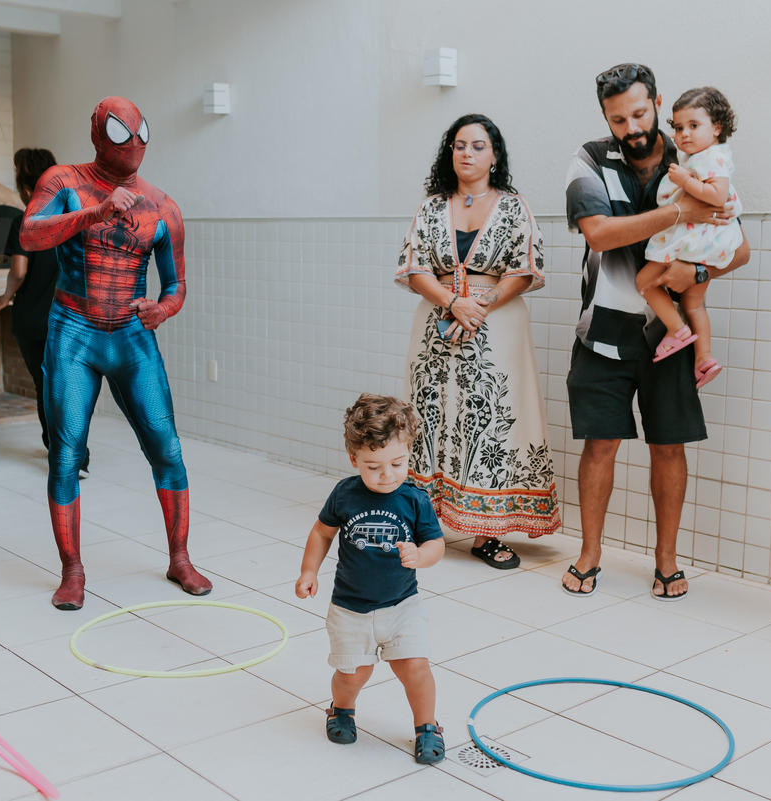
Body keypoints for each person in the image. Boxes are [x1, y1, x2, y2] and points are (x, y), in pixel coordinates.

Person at [564, 64, 750, 600]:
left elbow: (739, 248)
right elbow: (598, 234)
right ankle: (589, 553)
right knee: (599, 445)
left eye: (641, 113)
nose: (631, 126)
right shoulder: (590, 159)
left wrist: (695, 274)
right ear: (605, 116)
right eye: (618, 118)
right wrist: (678, 212)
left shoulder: (692, 150)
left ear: (658, 104)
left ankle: (666, 561)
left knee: (669, 447)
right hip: (600, 331)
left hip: (673, 336)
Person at [19, 96, 211, 608]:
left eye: (139, 133)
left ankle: (180, 558)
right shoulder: (63, 182)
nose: (134, 144)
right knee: (66, 453)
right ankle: (73, 571)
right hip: (74, 331)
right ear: (98, 134)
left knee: (167, 448)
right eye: (121, 133)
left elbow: (177, 286)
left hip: (130, 333)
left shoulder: (162, 206)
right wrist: (94, 212)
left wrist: (163, 310)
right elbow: (29, 234)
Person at [395, 113, 559, 570]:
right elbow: (414, 266)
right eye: (459, 144)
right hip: (436, 327)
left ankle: (487, 532)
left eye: (478, 145)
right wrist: (452, 302)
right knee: (428, 416)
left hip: (497, 325)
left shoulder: (513, 206)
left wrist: (479, 307)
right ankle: (419, 518)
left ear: (495, 155)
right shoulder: (431, 208)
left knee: (490, 420)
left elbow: (526, 269)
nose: (467, 153)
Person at [294, 394, 446, 764]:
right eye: (373, 466)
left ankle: (427, 727)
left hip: (402, 605)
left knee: (415, 668)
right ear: (353, 459)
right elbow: (321, 533)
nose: (387, 475)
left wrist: (420, 556)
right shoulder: (345, 494)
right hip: (350, 608)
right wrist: (309, 570)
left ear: (409, 452)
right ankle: (341, 710)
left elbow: (436, 544)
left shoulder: (415, 499)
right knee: (352, 675)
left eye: (397, 463)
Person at [0, 147, 89, 476]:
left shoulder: (27, 219)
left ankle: (64, 454)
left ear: (28, 187)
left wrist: (5, 297)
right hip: (72, 318)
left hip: (34, 319)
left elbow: (18, 270)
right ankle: (77, 455)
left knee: (45, 386)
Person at [639, 87, 743, 387]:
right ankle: (704, 358)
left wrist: (684, 180)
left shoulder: (709, 158)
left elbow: (717, 194)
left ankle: (676, 330)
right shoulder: (709, 155)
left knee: (644, 282)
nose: (684, 134)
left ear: (717, 127)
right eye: (679, 127)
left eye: (694, 126)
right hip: (708, 245)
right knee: (694, 303)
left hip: (694, 242)